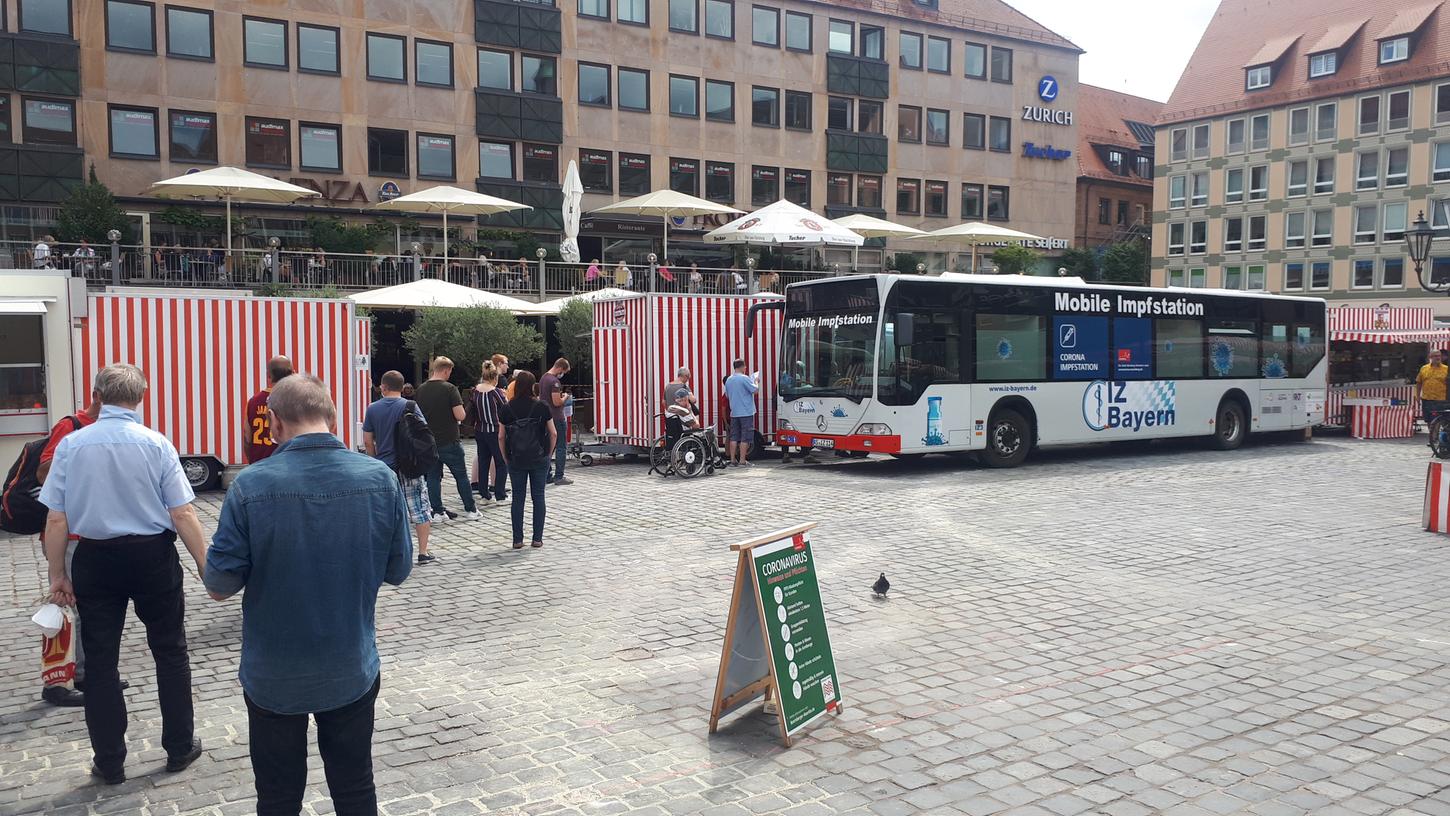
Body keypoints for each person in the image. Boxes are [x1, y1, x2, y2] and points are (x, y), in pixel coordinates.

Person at [205, 375, 412, 816]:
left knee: (278, 797)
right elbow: (399, 570)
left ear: (274, 423)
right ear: (333, 416)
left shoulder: (250, 486)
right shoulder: (379, 478)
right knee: (355, 787)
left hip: (274, 674)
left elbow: (219, 585)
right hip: (349, 664)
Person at [40, 363, 206, 785]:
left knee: (99, 663)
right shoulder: (156, 444)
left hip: (95, 558)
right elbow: (183, 512)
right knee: (170, 652)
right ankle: (179, 746)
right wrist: (207, 565)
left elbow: (56, 520)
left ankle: (110, 759)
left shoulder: (72, 445)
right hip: (151, 555)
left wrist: (58, 574)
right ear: (141, 397)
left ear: (97, 394)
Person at [34, 393, 104, 707]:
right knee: (63, 608)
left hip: (87, 535)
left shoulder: (106, 428)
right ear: (97, 397)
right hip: (67, 533)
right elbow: (43, 471)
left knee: (86, 609)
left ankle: (84, 673)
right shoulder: (71, 425)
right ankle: (56, 684)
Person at [363, 371, 435, 565]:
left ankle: (388, 554)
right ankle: (422, 552)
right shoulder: (410, 406)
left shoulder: (372, 409)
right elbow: (423, 432)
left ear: (383, 387)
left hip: (385, 467)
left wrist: (375, 461)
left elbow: (368, 442)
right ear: (402, 388)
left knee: (386, 511)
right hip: (409, 464)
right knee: (419, 507)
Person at [415, 356, 480, 522]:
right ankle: (470, 509)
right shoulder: (450, 389)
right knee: (461, 476)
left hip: (429, 441)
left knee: (433, 477)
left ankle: (437, 512)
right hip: (449, 440)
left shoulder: (421, 389)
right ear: (446, 370)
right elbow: (460, 414)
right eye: (450, 371)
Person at [498, 371, 556, 549]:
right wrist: (548, 453)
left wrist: (505, 457)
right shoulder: (541, 406)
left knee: (518, 498)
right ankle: (537, 538)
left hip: (516, 458)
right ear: (533, 386)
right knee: (538, 496)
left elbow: (501, 436)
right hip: (539, 457)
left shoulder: (506, 408)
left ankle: (517, 540)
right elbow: (553, 433)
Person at [244, 356, 293, 464]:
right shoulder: (295, 400)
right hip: (286, 466)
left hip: (259, 465)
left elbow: (247, 439)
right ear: (292, 374)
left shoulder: (252, 402)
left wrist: (252, 462)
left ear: (269, 376)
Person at [473, 361, 508, 506]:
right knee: (501, 462)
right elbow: (505, 409)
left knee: (483, 462)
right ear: (495, 378)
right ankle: (500, 495)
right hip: (495, 431)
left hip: (480, 431)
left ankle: (484, 495)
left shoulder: (475, 390)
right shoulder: (495, 392)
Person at [539, 359, 573, 486]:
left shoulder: (543, 378)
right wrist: (565, 397)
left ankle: (546, 474)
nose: (563, 374)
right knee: (560, 447)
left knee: (548, 447)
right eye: (564, 371)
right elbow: (556, 402)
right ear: (560, 368)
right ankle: (559, 476)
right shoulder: (554, 382)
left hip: (545, 417)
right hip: (557, 418)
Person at [723, 359, 759, 466]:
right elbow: (755, 391)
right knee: (745, 437)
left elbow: (727, 395)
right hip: (746, 412)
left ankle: (733, 460)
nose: (745, 368)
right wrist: (756, 381)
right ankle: (742, 461)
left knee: (733, 437)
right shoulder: (745, 378)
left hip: (734, 413)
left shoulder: (729, 379)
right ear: (742, 366)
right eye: (745, 367)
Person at [1418, 349, 1449, 427]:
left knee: (1443, 421)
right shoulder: (1424, 368)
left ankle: (1443, 437)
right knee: (1429, 420)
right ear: (1430, 357)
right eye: (1435, 356)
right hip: (1427, 399)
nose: (1438, 358)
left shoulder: (1446, 369)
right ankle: (1433, 437)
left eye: (1439, 356)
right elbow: (1419, 383)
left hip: (1442, 400)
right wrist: (1417, 396)